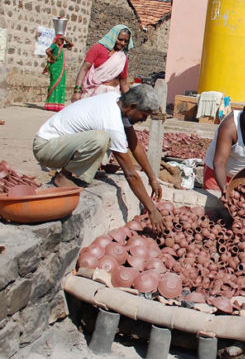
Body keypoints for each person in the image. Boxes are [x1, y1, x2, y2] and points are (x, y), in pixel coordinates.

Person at [33, 85, 165, 232]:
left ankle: (76, 173)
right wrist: (152, 210)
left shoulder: (117, 102)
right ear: (133, 106)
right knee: (101, 139)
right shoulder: (112, 121)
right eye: (144, 115)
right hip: (46, 148)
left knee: (105, 140)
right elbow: (130, 174)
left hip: (61, 145)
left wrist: (152, 178)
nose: (143, 119)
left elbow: (135, 144)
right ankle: (63, 177)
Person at [72, 25, 133, 102]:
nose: (123, 43)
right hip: (92, 93)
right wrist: (77, 91)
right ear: (113, 37)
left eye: (126, 41)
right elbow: (84, 69)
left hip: (111, 96)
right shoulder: (97, 48)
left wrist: (131, 101)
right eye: (120, 39)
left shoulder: (123, 57)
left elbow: (123, 83)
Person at [44, 35, 74, 112]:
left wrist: (66, 39)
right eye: (60, 39)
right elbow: (47, 51)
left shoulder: (61, 46)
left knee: (60, 85)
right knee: (54, 84)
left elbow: (71, 45)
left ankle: (57, 104)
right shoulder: (54, 45)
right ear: (56, 39)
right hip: (55, 67)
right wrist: (53, 57)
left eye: (62, 40)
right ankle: (50, 103)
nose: (61, 41)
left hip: (61, 68)